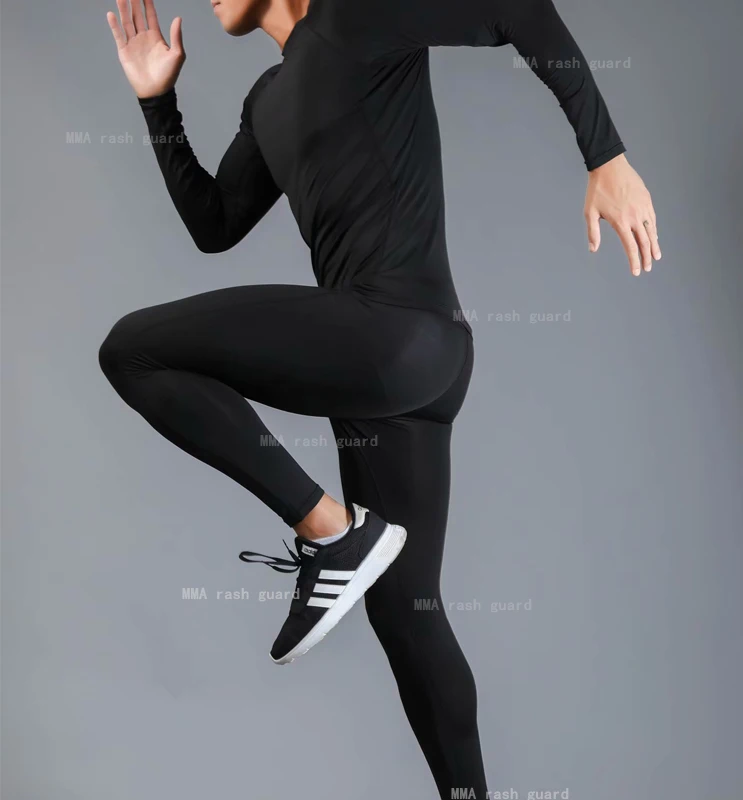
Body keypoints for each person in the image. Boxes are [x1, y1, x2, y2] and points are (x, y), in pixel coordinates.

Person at [101, 0, 661, 796]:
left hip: (398, 333)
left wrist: (606, 156)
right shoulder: (267, 100)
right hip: (400, 370)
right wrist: (158, 103)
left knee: (133, 350)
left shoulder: (357, 15)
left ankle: (332, 533)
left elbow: (518, 8)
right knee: (405, 615)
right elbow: (214, 223)